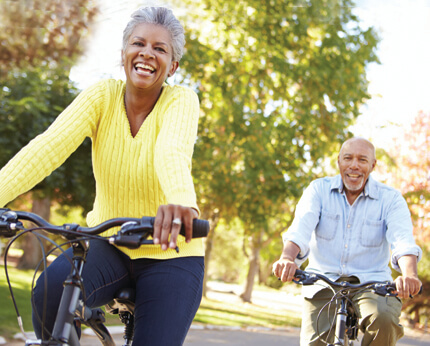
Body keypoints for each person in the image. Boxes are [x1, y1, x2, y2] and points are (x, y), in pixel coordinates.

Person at [0, 6, 204, 345]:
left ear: (173, 65)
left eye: (160, 49)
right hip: (110, 242)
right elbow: (47, 148)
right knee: (49, 292)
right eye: (139, 43)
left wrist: (183, 205)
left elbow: (172, 153)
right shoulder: (101, 96)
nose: (146, 54)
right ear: (123, 52)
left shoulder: (181, 101)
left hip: (172, 253)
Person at [272, 137, 422, 346]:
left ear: (372, 165)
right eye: (348, 158)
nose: (354, 165)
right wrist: (287, 258)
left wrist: (409, 275)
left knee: (384, 320)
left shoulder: (391, 199)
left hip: (373, 284)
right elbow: (300, 229)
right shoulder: (318, 190)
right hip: (323, 281)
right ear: (339, 162)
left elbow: (402, 241)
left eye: (362, 160)